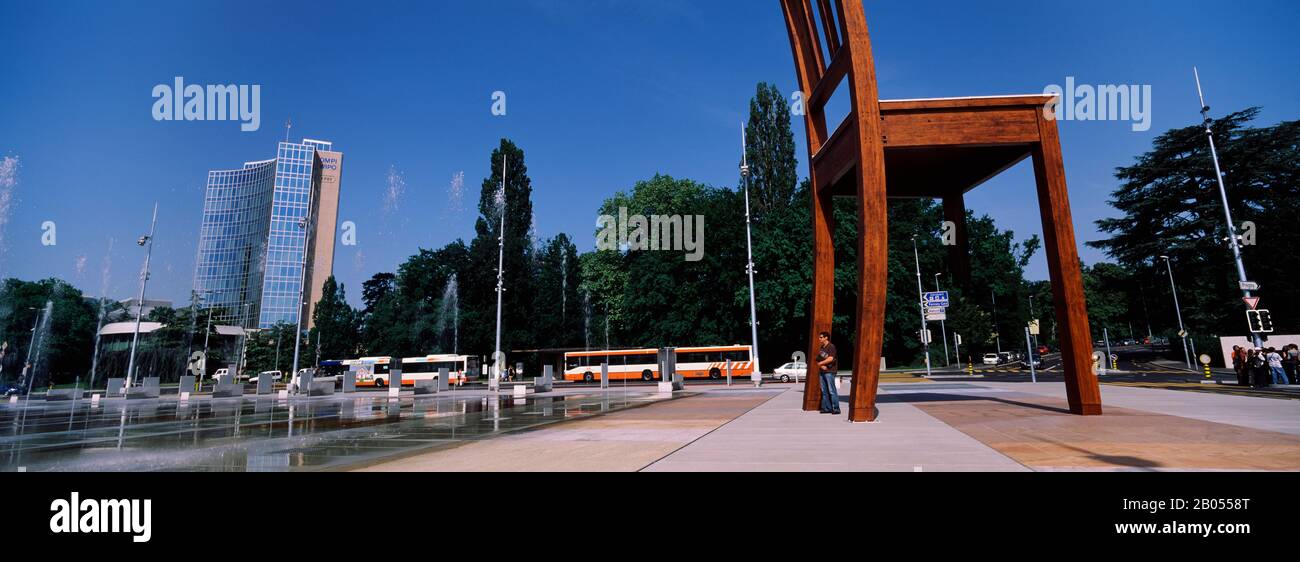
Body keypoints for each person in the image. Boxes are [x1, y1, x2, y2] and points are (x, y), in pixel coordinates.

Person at [815, 331, 841, 415]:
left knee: (831, 390)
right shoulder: (822, 347)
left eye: (821, 337)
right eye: (819, 337)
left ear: (826, 338)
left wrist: (821, 363)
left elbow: (830, 358)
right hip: (822, 372)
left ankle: (836, 408)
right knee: (824, 390)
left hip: (830, 371)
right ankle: (827, 408)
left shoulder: (831, 347)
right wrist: (821, 365)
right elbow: (818, 359)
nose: (819, 339)